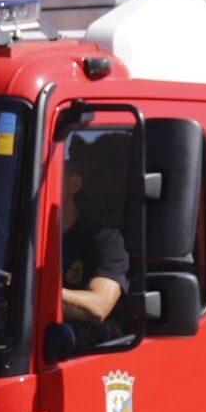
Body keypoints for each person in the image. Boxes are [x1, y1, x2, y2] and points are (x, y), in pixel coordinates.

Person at [60, 136, 131, 345]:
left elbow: (99, 306)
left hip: (88, 353)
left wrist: (29, 292)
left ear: (75, 184)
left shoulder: (106, 241)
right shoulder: (22, 243)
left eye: (48, 176)